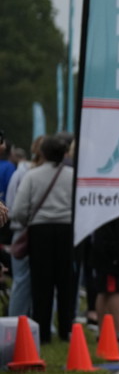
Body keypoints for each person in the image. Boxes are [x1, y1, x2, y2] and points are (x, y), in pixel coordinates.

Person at [10, 135, 76, 343]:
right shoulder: (73, 176)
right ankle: (66, 329)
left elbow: (18, 209)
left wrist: (28, 221)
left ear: (43, 153)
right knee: (65, 282)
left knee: (41, 284)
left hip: (40, 231)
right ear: (64, 153)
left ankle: (43, 331)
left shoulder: (32, 176)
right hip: (67, 230)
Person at [4, 136, 44, 317]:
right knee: (39, 280)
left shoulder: (21, 173)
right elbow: (13, 208)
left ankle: (18, 321)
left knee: (23, 280)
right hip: (34, 232)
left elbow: (12, 207)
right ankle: (32, 322)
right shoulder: (23, 173)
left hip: (22, 230)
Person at [88, 213, 119, 345]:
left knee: (105, 290)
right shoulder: (112, 209)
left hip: (107, 251)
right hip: (110, 254)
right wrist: (118, 255)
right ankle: (116, 334)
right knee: (112, 291)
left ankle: (105, 333)